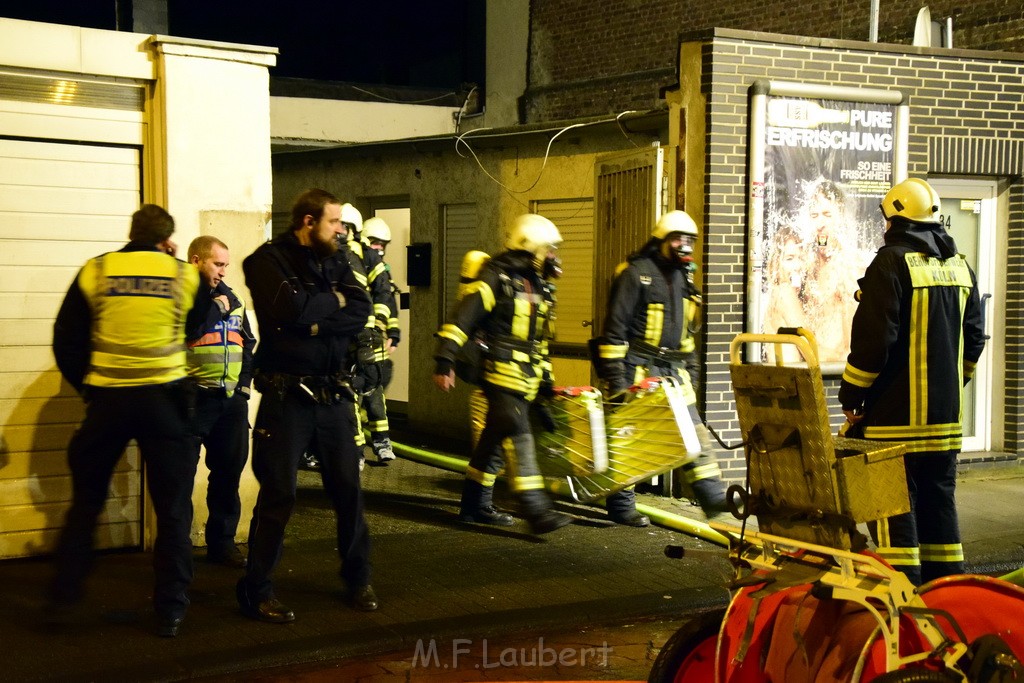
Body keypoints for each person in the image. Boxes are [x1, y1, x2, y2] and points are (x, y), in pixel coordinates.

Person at [48, 204, 201, 638]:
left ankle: (63, 597)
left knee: (86, 503)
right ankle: (171, 608)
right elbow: (200, 321)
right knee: (171, 510)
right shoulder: (183, 276)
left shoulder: (97, 271)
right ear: (166, 238)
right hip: (164, 404)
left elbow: (66, 339)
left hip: (108, 404)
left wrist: (89, 388)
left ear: (131, 231)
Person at [238, 188, 377, 623]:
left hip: (334, 394)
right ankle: (256, 590)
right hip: (287, 398)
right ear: (307, 222)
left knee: (348, 492)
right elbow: (288, 310)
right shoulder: (266, 261)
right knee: (279, 495)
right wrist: (327, 306)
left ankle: (358, 579)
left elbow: (363, 308)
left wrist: (315, 317)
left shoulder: (335, 258)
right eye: (333, 222)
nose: (340, 230)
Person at [839, 177, 986, 586]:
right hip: (944, 425)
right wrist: (955, 388)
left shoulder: (890, 263)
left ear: (896, 219)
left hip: (893, 424)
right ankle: (947, 594)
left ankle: (901, 599)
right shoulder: (961, 267)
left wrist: (852, 395)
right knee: (939, 507)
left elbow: (874, 342)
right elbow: (974, 339)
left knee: (892, 513)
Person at [432, 214, 572, 535]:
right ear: (532, 248)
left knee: (492, 441)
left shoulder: (539, 285)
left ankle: (473, 506)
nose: (554, 256)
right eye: (549, 249)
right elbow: (463, 318)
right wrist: (445, 360)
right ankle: (536, 510)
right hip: (499, 372)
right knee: (517, 428)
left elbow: (539, 340)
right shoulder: (496, 276)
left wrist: (547, 385)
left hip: (527, 377)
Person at [593, 210, 729, 526]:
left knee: (694, 434)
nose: (686, 247)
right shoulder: (635, 274)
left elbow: (685, 335)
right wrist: (617, 379)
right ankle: (621, 505)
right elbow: (615, 330)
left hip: (674, 372)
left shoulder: (684, 279)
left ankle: (712, 498)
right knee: (629, 439)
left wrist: (691, 373)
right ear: (662, 241)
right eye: (679, 240)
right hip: (637, 369)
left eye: (691, 241)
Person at [185, 236, 256, 569]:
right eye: (218, 264)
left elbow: (248, 344)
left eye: (226, 264)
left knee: (228, 475)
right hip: (192, 399)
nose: (224, 272)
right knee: (180, 476)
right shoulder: (182, 295)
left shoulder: (233, 299)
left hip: (229, 402)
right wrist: (214, 308)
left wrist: (242, 388)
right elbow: (188, 332)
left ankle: (222, 543)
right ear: (197, 261)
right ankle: (176, 546)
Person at [339, 207, 399, 465]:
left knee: (373, 387)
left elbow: (385, 294)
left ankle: (381, 440)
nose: (338, 231)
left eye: (343, 226)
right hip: (340, 335)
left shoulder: (366, 257)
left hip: (368, 335)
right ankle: (356, 449)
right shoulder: (329, 255)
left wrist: (388, 330)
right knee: (348, 390)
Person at [799, 179, 860, 363]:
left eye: (827, 214)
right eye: (814, 215)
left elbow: (854, 339)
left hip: (836, 364)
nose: (820, 223)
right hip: (812, 363)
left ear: (840, 216)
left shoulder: (848, 266)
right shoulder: (808, 264)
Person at [360, 215, 402, 460]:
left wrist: (393, 334)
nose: (380, 249)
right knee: (355, 396)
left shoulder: (381, 271)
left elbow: (389, 303)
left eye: (384, 245)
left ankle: (381, 442)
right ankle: (357, 449)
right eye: (376, 242)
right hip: (353, 340)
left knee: (375, 393)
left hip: (375, 340)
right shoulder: (353, 264)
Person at [761, 224, 808, 363]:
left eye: (801, 258)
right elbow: (810, 348)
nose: (797, 266)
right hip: (791, 380)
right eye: (789, 258)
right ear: (776, 263)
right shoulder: (785, 292)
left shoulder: (775, 293)